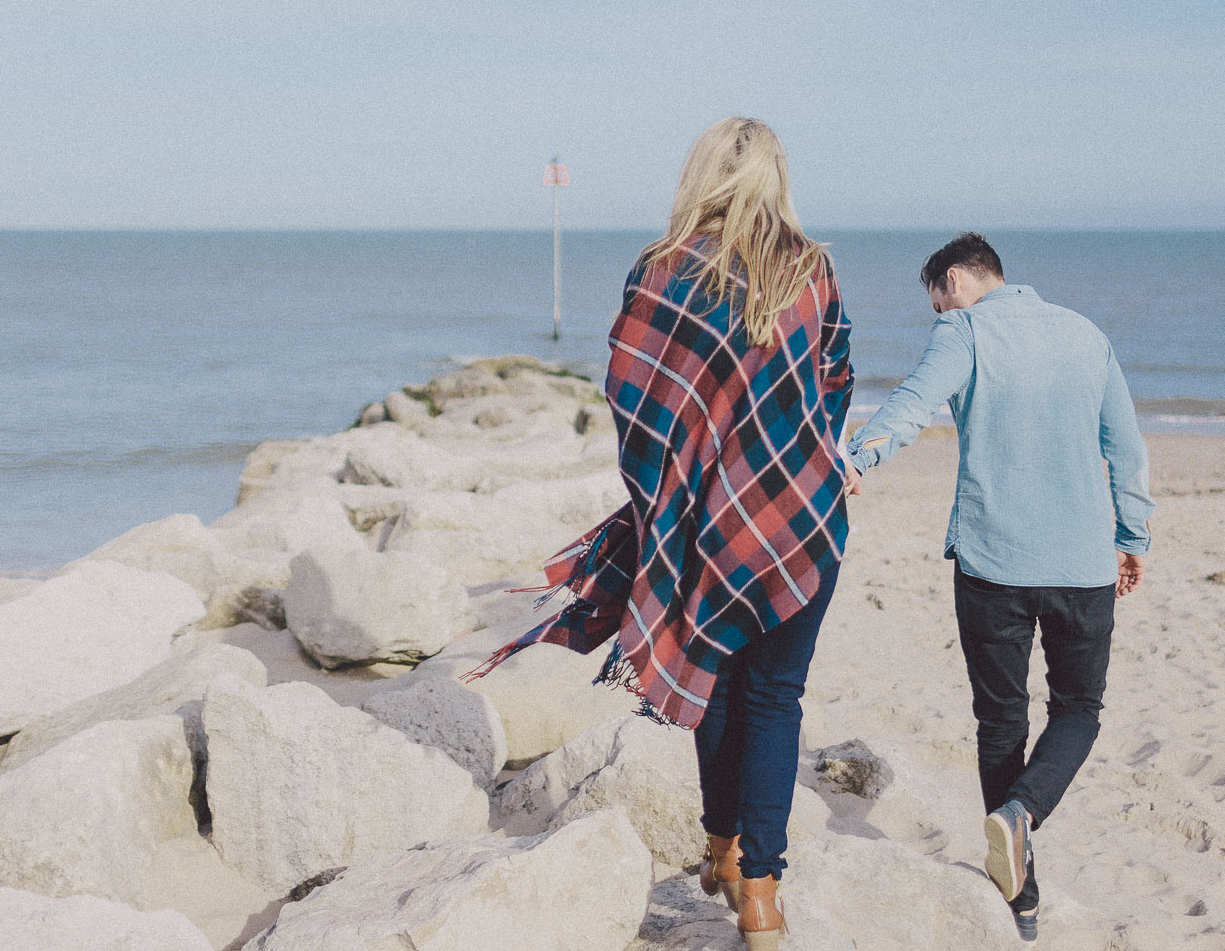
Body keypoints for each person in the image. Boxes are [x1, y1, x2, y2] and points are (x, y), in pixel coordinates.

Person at [471, 118, 854, 951]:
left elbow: (631, 393)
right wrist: (806, 452)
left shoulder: (659, 270)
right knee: (776, 698)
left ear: (701, 174)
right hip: (798, 517)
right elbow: (834, 380)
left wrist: (665, 495)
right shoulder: (810, 269)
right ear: (777, 178)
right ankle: (761, 895)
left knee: (713, 674)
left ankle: (722, 849)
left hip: (703, 523)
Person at [842, 232, 1152, 943]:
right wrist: (1132, 536)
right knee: (1079, 710)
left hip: (993, 563)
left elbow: (914, 404)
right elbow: (1125, 446)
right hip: (1082, 564)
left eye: (936, 302)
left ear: (955, 279)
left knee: (1001, 724)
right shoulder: (1086, 334)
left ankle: (1021, 895)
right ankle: (1023, 816)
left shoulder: (964, 331)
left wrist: (858, 458)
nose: (939, 314)